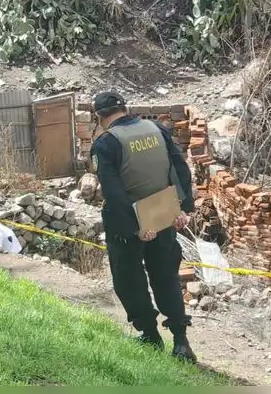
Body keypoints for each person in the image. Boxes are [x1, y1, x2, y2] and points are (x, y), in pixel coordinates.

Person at [90, 91, 197, 363]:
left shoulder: (106, 143)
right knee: (166, 276)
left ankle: (150, 335)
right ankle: (181, 343)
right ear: (125, 109)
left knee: (128, 279)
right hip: (162, 215)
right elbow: (180, 168)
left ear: (100, 117)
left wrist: (134, 226)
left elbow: (113, 192)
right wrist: (183, 207)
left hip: (127, 224)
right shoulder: (157, 129)